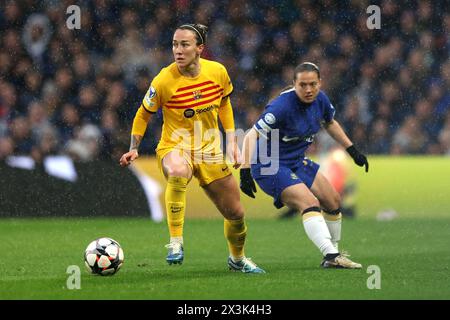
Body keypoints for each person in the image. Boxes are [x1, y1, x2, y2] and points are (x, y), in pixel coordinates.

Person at [119, 23, 264, 274]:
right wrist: (134, 147)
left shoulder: (217, 72)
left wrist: (232, 141)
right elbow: (143, 114)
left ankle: (237, 259)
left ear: (200, 48)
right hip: (175, 145)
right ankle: (176, 242)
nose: (178, 50)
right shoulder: (164, 79)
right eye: (174, 44)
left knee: (236, 213)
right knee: (176, 170)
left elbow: (225, 104)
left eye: (184, 44)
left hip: (209, 149)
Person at [240, 62, 368, 269]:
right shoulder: (281, 106)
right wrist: (244, 171)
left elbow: (330, 123)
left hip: (296, 160)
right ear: (294, 84)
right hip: (269, 164)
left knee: (333, 200)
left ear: (320, 83)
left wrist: (352, 150)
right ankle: (331, 255)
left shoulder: (321, 99)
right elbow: (251, 134)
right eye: (303, 85)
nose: (308, 90)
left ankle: (332, 253)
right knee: (309, 202)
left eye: (313, 84)